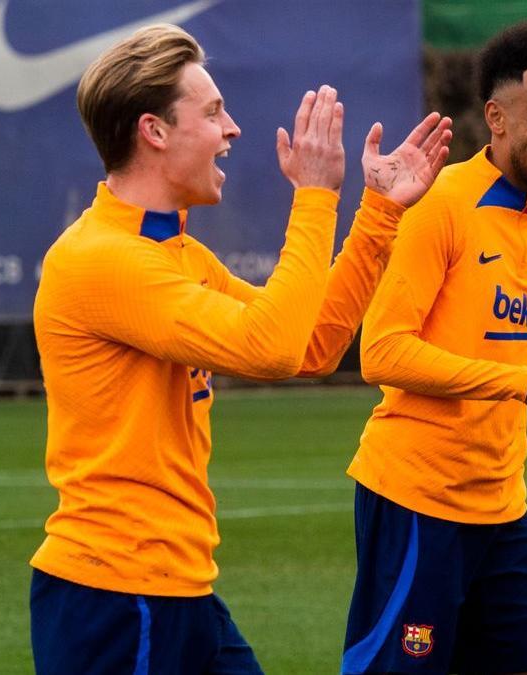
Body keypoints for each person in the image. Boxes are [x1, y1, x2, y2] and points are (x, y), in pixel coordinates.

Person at [29, 23, 452, 675]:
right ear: (155, 131)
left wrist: (378, 216)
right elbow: (272, 349)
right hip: (116, 599)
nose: (233, 130)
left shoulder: (171, 253)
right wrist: (314, 197)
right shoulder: (102, 259)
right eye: (213, 112)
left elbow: (309, 345)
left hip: (176, 589)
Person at [341, 22, 527, 675]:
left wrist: (518, 383)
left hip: (501, 507)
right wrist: (522, 383)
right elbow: (383, 352)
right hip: (417, 502)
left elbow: (485, 358)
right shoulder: (441, 205)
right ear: (497, 118)